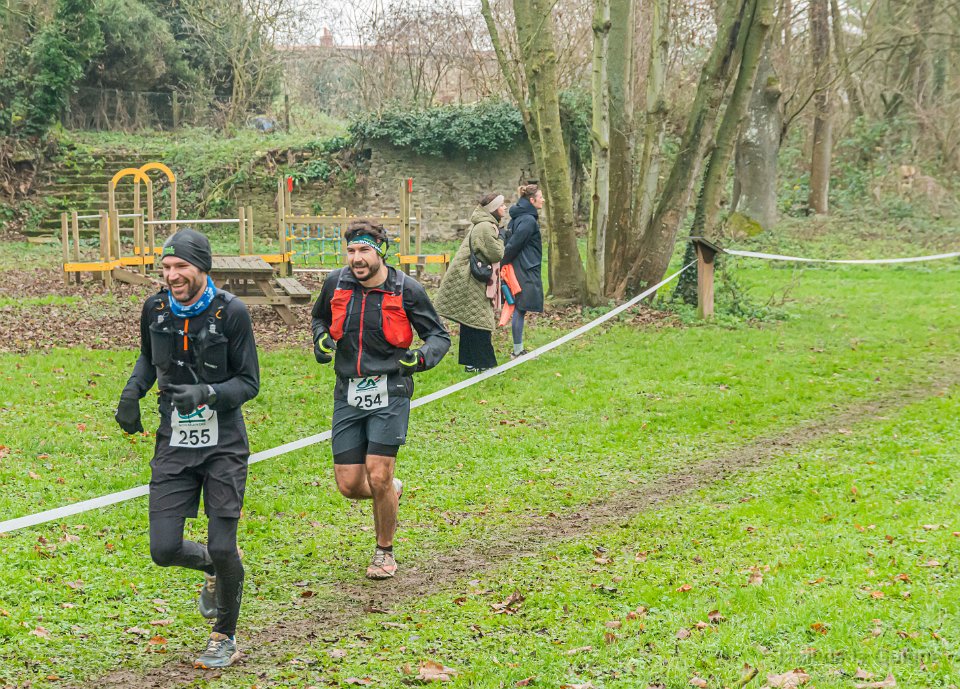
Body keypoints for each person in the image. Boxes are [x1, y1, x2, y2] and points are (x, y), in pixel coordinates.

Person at [114, 229, 259, 670]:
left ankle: (224, 636)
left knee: (223, 544)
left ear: (202, 268)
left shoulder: (231, 313)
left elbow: (249, 382)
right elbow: (147, 358)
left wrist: (208, 393)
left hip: (223, 444)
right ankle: (216, 568)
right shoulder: (156, 309)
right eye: (166, 267)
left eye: (181, 266)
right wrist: (132, 393)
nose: (172, 275)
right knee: (163, 549)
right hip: (174, 442)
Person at [311, 219, 450, 579]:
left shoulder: (406, 289)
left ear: (381, 251)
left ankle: (384, 552)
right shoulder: (335, 283)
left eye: (364, 250)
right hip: (348, 392)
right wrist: (321, 339)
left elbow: (439, 336)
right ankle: (390, 489)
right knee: (349, 485)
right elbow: (319, 319)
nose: (356, 258)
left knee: (378, 473)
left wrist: (421, 359)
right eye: (351, 250)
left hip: (391, 390)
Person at [434, 193, 506, 372]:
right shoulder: (485, 227)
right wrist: (502, 239)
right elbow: (496, 254)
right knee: (481, 322)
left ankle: (470, 363)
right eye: (501, 205)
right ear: (493, 209)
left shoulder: (482, 224)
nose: (505, 208)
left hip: (471, 278)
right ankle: (485, 364)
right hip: (473, 280)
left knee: (469, 321)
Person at [502, 183, 545, 357]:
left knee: (521, 307)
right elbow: (514, 244)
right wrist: (502, 263)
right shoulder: (527, 220)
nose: (543, 200)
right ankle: (517, 351)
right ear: (532, 200)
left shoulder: (521, 217)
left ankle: (518, 349)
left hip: (523, 265)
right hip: (524, 268)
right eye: (540, 197)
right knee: (520, 308)